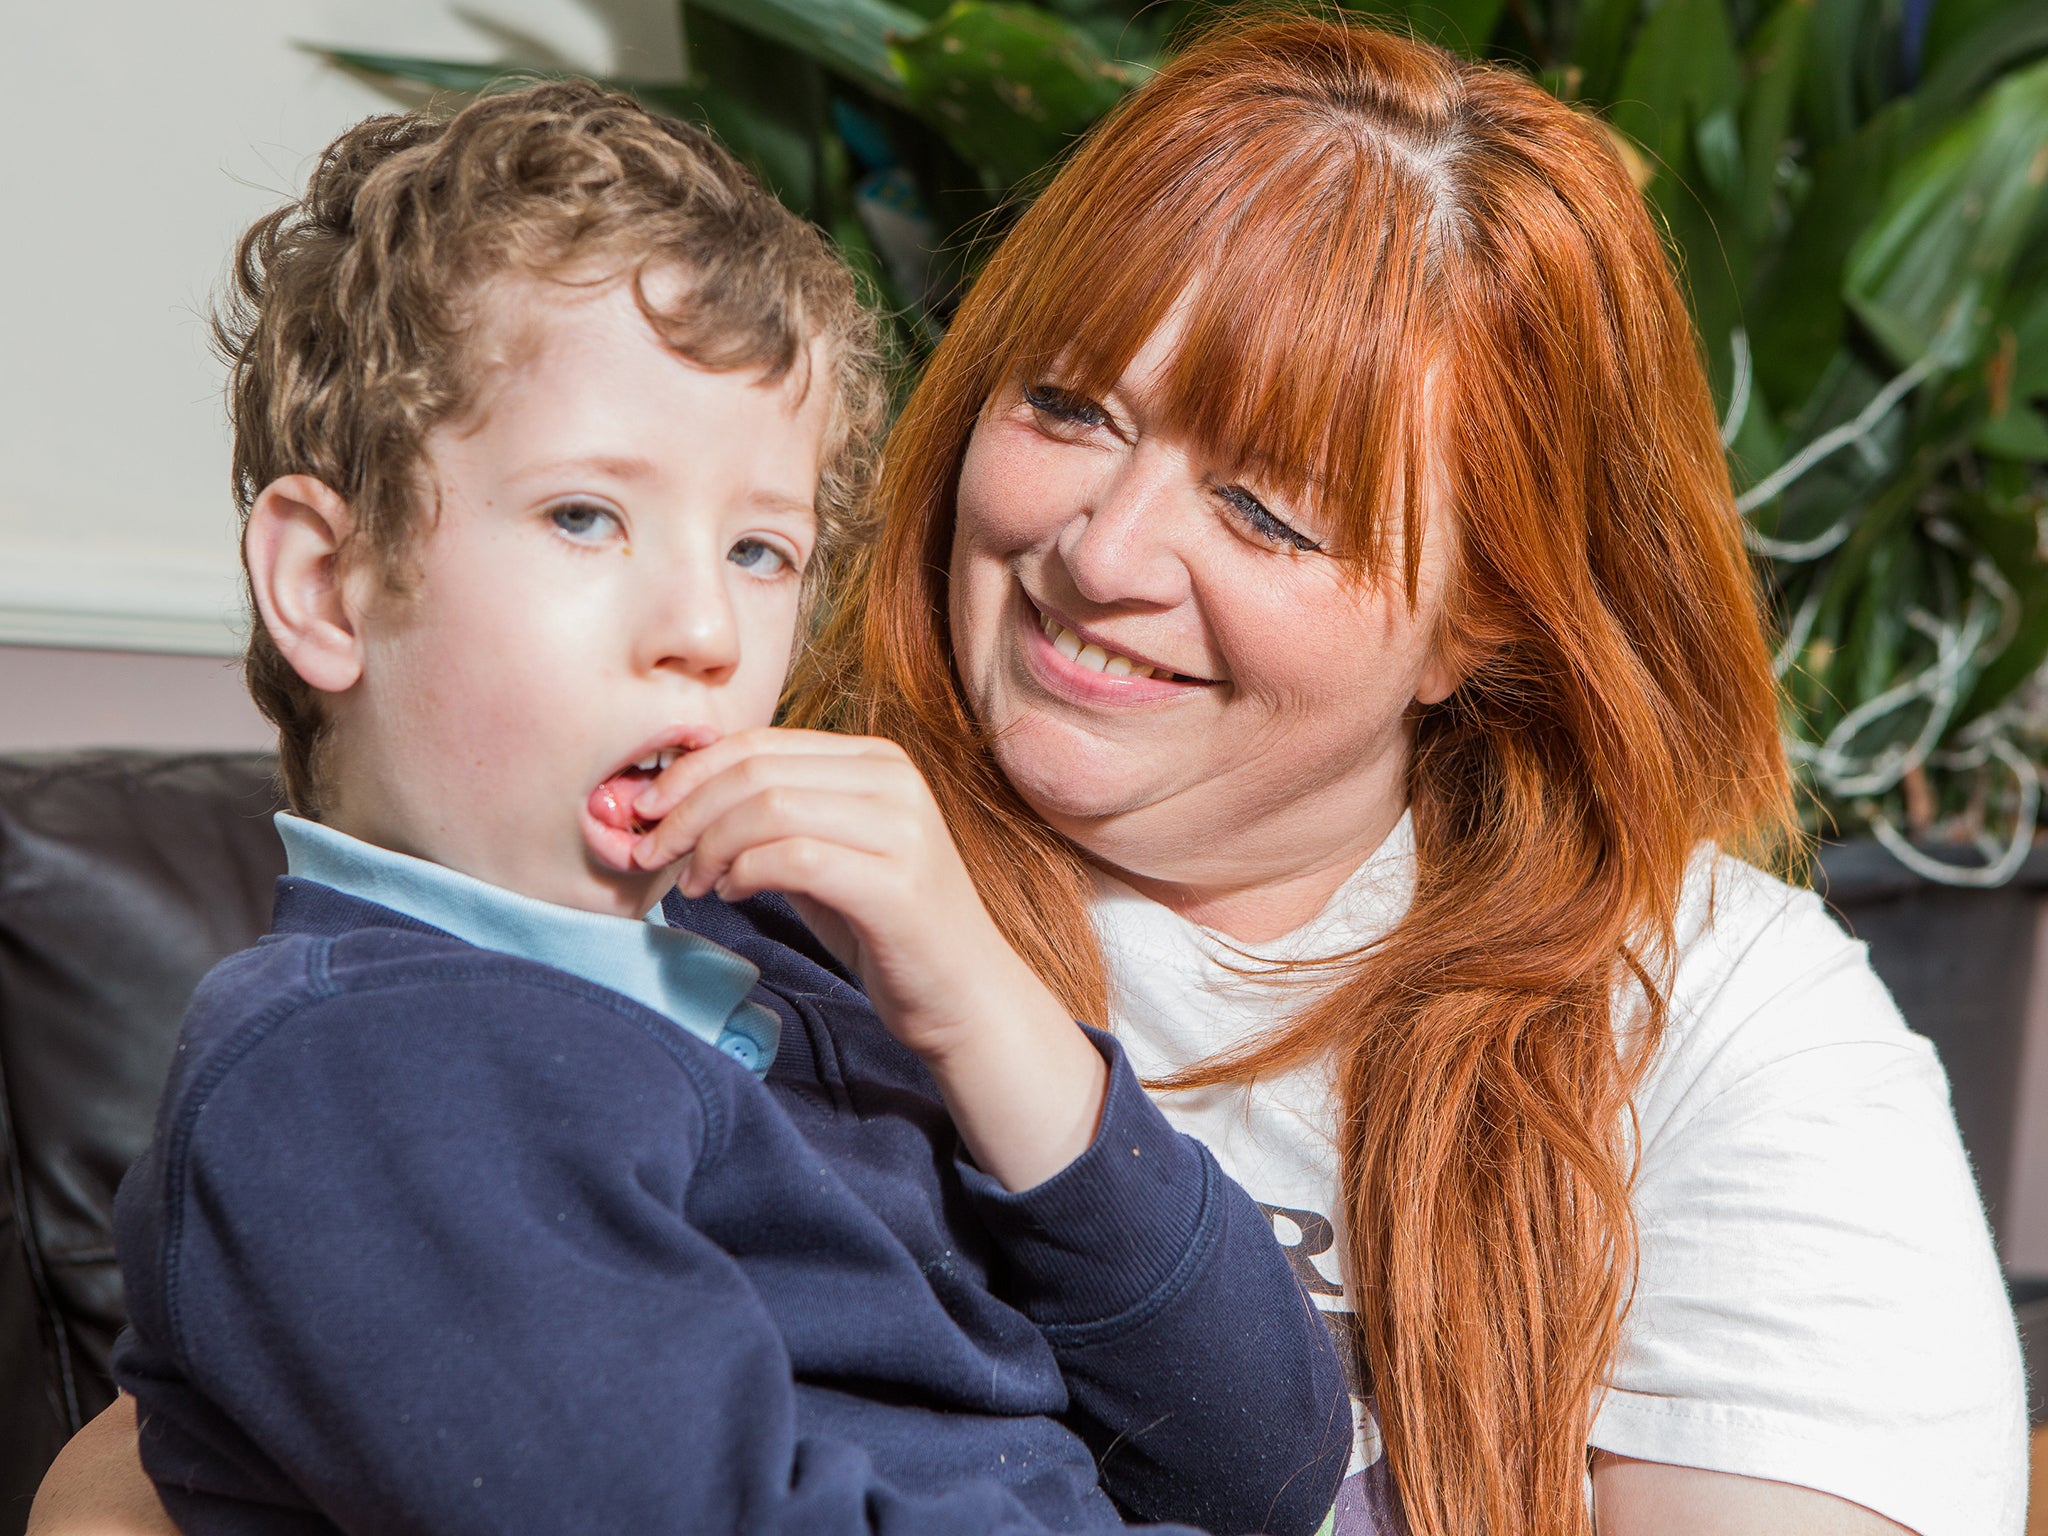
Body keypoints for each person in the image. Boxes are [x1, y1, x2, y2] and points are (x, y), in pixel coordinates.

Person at [32, 16, 2029, 1536]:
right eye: (1069, 406)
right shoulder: (664, 904)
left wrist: (1001, 1027)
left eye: (1263, 507)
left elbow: (1254, 1454)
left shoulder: (1713, 1019)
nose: (1100, 551)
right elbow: (160, 1469)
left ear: (1482, 621)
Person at [92, 79, 1352, 1536]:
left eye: (762, 549)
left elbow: (1263, 1457)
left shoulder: (792, 954)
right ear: (326, 583)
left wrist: (979, 1008)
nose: (703, 625)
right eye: (585, 516)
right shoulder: (352, 1072)